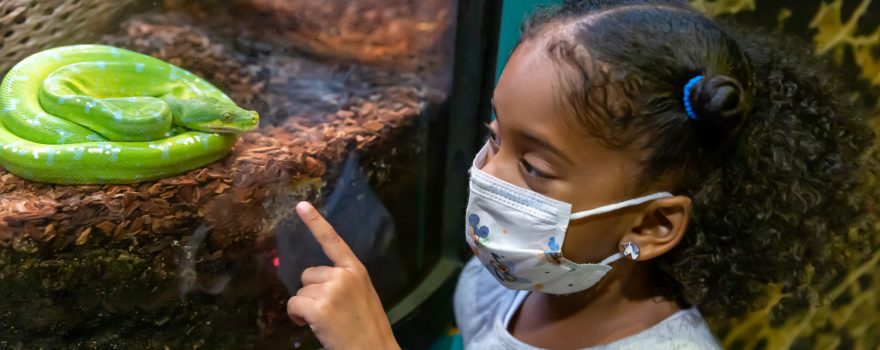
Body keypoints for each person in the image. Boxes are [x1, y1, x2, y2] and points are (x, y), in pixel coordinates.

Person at [285, 0, 877, 348]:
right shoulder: (508, 277)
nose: (488, 176)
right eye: (495, 137)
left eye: (536, 167)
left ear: (651, 225)